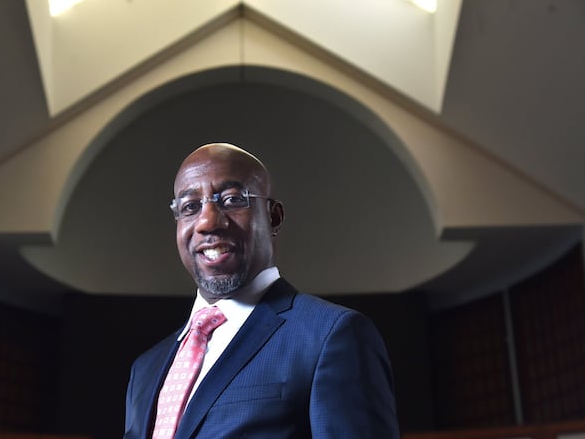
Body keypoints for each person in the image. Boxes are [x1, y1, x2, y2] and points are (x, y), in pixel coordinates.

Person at [123, 143, 400, 438]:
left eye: (232, 200)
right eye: (191, 207)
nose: (207, 222)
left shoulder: (330, 337)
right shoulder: (146, 369)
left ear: (273, 217)